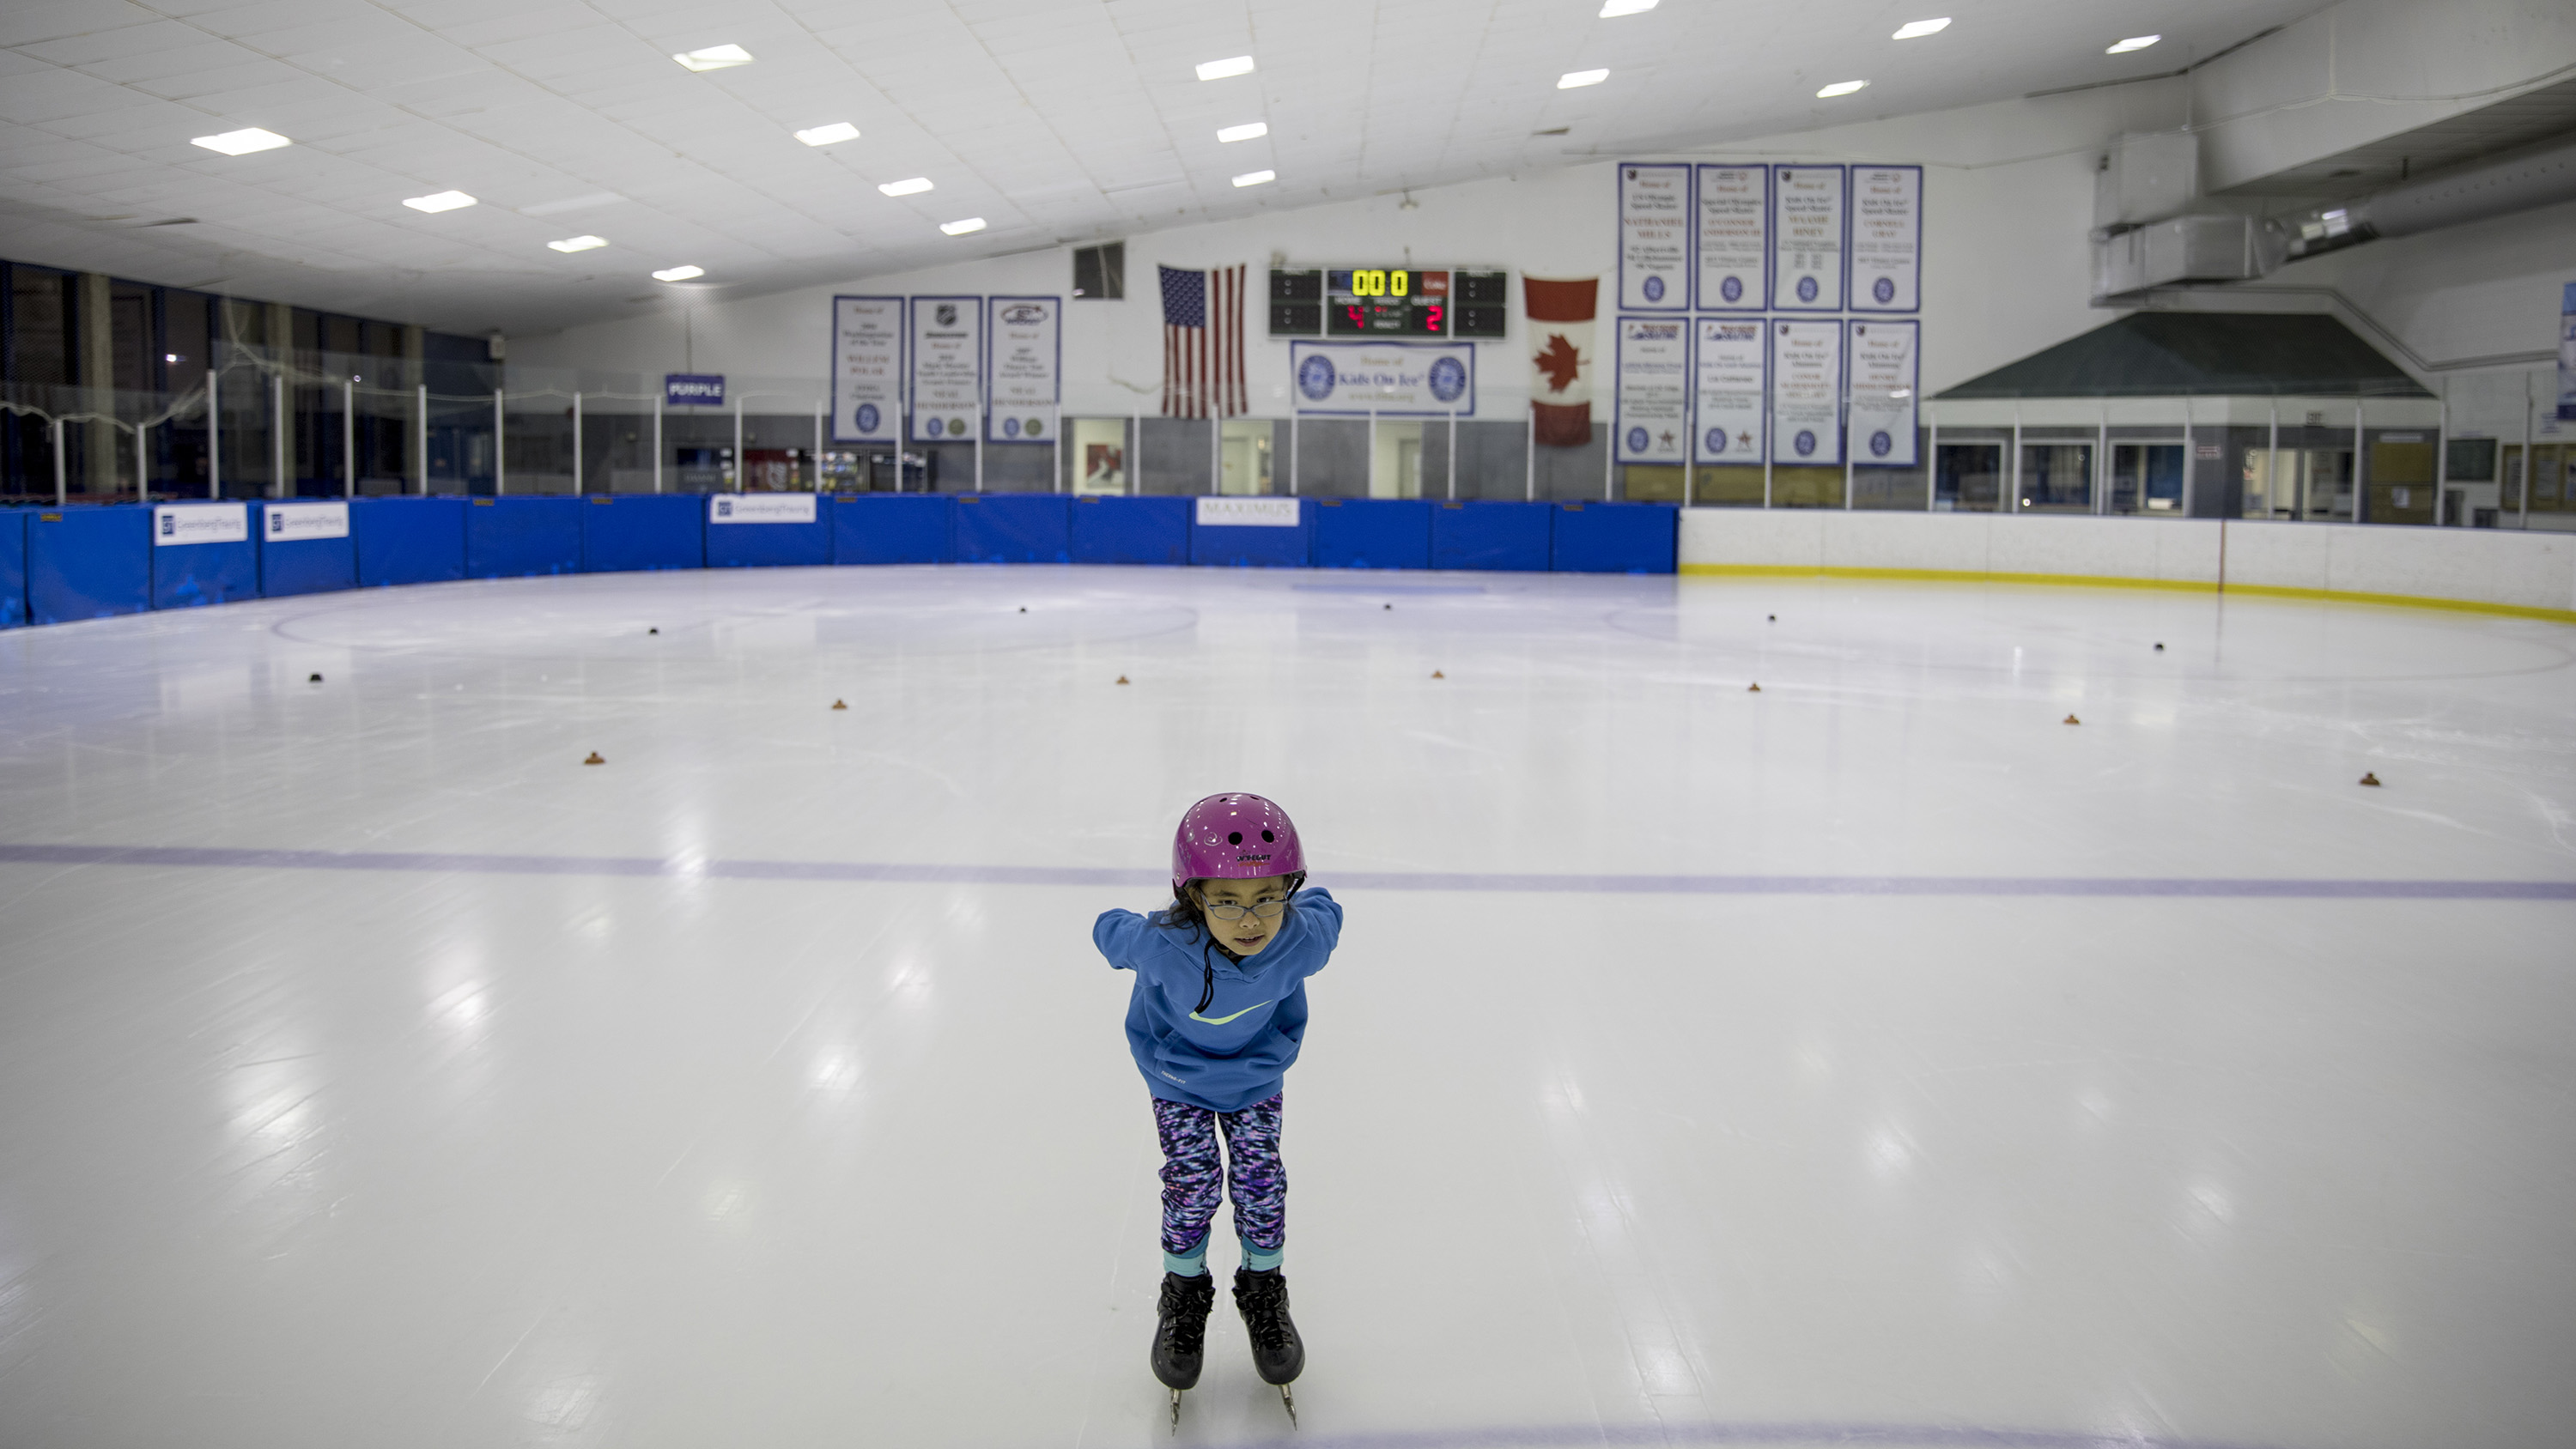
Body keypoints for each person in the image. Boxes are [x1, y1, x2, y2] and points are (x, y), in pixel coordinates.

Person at [1092, 793, 1342, 1424]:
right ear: (1192, 897)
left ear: (1291, 889)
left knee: (1262, 1181)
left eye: (1268, 897)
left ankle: (1263, 1287)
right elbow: (1106, 928)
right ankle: (1184, 1293)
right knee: (1194, 1183)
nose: (1250, 919)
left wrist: (1301, 906)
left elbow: (1329, 911)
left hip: (1256, 1076)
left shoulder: (1303, 938)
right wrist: (1151, 932)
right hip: (1176, 1076)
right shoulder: (1162, 946)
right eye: (1226, 899)